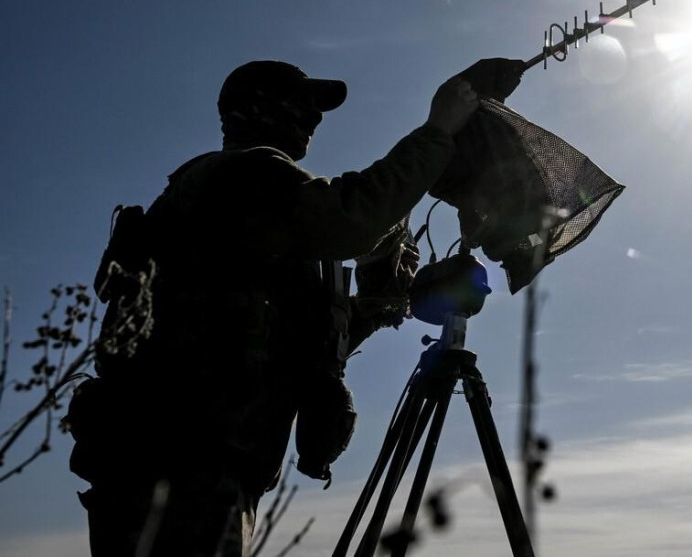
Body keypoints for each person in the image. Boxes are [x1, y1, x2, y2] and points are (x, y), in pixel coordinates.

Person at [67, 58, 523, 556]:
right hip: (175, 464)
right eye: (302, 104)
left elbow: (294, 337)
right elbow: (349, 216)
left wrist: (382, 306)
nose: (314, 118)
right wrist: (438, 131)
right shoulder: (240, 175)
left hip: (195, 466)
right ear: (257, 110)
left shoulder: (261, 220)